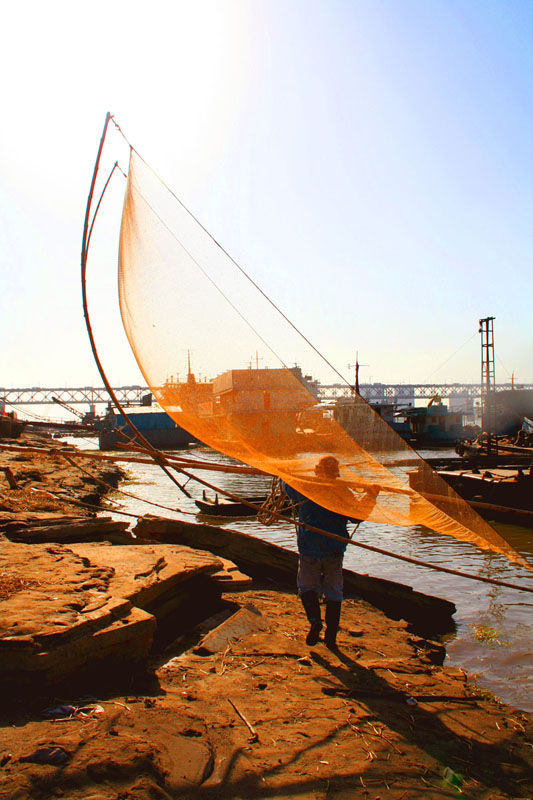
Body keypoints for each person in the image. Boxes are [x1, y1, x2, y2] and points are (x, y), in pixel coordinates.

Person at [281, 456, 379, 650]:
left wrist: (284, 474)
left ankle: (315, 620)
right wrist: (371, 495)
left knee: (307, 586)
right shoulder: (342, 490)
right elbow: (355, 517)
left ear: (317, 471)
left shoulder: (307, 487)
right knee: (334, 591)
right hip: (334, 548)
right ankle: (331, 638)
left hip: (309, 546)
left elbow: (287, 487)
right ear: (336, 473)